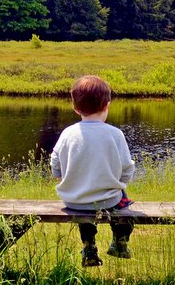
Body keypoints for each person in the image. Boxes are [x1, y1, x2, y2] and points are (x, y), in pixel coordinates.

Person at [49, 74, 136, 268]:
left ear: (75, 107)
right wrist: (120, 183)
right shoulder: (115, 134)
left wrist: (61, 176)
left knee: (85, 209)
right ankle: (120, 242)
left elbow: (55, 163)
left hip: (74, 200)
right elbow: (127, 168)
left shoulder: (68, 133)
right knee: (124, 203)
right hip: (108, 200)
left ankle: (89, 247)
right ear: (107, 105)